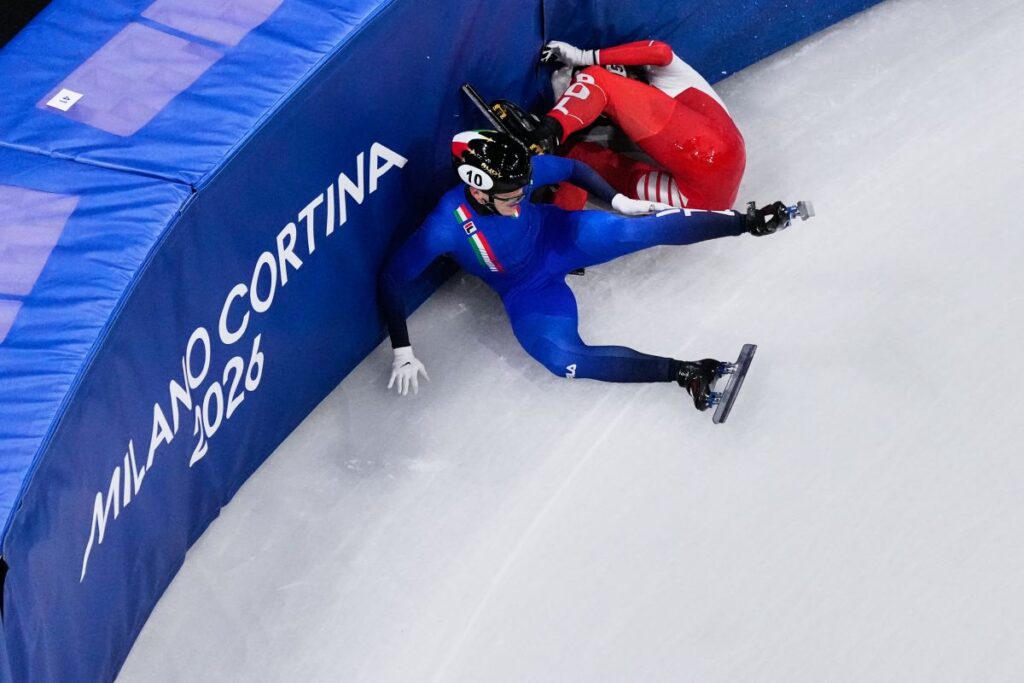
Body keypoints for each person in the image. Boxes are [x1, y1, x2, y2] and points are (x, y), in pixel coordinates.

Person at [377, 130, 799, 411]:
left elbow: (573, 169)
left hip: (559, 235)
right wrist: (402, 350)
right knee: (562, 361)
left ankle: (747, 222)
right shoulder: (442, 227)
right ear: (476, 190)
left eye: (524, 190)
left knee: (635, 231)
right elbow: (391, 279)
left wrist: (617, 200)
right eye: (510, 197)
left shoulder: (516, 176)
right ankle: (686, 372)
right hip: (525, 291)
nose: (520, 199)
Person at [505, 39, 745, 212]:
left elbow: (660, 51)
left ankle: (550, 131)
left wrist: (583, 57)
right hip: (711, 202)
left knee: (599, 82)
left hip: (713, 150)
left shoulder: (664, 74)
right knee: (577, 161)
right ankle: (557, 234)